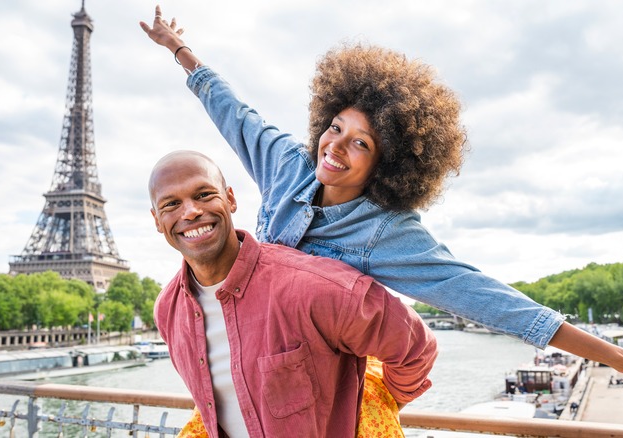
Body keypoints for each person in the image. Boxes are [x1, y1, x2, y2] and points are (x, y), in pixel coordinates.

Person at [140, 5, 623, 377]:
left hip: (322, 373)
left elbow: (496, 303)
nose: (335, 147)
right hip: (255, 358)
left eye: (361, 144)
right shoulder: (288, 164)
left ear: (388, 165)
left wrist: (620, 357)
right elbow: (233, 112)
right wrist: (179, 50)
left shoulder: (390, 234)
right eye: (335, 128)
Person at [149, 150, 437, 437]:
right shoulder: (168, 311)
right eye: (171, 204)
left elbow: (416, 349)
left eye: (203, 195)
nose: (190, 212)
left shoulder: (314, 286)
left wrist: (374, 407)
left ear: (231, 199)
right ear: (157, 220)